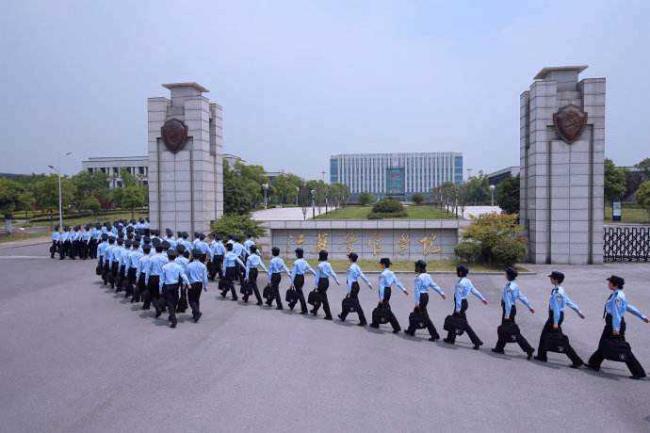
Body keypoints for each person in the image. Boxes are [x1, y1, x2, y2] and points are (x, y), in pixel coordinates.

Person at [587, 275, 648, 379]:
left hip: (615, 324)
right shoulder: (618, 294)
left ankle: (639, 372)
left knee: (622, 348)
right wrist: (642, 316)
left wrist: (616, 328)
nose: (608, 284)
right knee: (603, 343)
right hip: (612, 323)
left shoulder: (618, 297)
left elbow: (616, 314)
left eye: (610, 282)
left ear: (614, 284)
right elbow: (628, 307)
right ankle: (594, 363)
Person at [534, 271, 585, 368]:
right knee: (544, 335)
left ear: (556, 280)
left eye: (551, 278)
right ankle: (542, 356)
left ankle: (576, 360)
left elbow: (557, 308)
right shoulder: (559, 290)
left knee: (560, 340)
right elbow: (568, 301)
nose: (550, 279)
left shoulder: (557, 292)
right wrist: (578, 311)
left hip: (555, 317)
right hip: (555, 316)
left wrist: (556, 322)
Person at [491, 267, 535, 359]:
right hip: (511, 309)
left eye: (506, 273)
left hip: (509, 310)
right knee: (504, 329)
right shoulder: (514, 285)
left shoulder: (509, 288)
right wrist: (529, 306)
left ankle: (528, 349)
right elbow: (521, 296)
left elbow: (507, 302)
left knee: (513, 332)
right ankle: (499, 347)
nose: (505, 275)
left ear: (509, 275)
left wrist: (507, 314)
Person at [443, 265, 488, 349]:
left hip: (460, 305)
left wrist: (457, 309)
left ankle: (477, 342)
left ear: (460, 272)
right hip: (464, 303)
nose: (456, 272)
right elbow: (474, 290)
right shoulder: (467, 281)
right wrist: (482, 298)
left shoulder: (460, 284)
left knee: (464, 325)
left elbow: (458, 297)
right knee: (454, 321)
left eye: (457, 271)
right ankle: (450, 339)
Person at [405, 260, 446, 340]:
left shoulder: (419, 278)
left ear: (419, 267)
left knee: (425, 317)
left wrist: (417, 302)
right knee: (416, 313)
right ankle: (411, 330)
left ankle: (434, 335)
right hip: (426, 296)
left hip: (421, 297)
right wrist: (441, 293)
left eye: (416, 266)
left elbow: (417, 291)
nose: (415, 268)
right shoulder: (428, 276)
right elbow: (434, 285)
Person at [370, 258, 408, 332]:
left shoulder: (383, 274)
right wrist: (404, 289)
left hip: (384, 291)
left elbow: (381, 287)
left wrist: (381, 298)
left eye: (380, 263)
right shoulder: (391, 273)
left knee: (385, 310)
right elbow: (397, 282)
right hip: (388, 291)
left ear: (383, 264)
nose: (380, 265)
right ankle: (375, 323)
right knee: (380, 308)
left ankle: (396, 327)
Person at [157, 248, 190, 328]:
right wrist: (188, 283)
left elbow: (162, 279)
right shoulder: (178, 266)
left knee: (170, 302)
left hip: (167, 285)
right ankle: (172, 315)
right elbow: (183, 275)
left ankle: (173, 318)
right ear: (175, 257)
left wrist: (160, 288)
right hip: (175, 285)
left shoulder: (164, 267)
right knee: (174, 301)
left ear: (168, 257)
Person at [338, 252, 372, 326]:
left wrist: (349, 292)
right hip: (356, 285)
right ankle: (343, 316)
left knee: (355, 304)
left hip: (352, 286)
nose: (348, 258)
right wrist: (368, 283)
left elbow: (350, 281)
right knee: (349, 301)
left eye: (349, 257)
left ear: (350, 258)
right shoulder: (356, 266)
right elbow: (362, 275)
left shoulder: (351, 268)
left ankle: (363, 321)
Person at [311, 250, 340, 320]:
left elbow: (317, 277)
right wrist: (337, 280)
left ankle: (328, 315)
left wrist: (315, 286)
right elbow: (332, 273)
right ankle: (315, 310)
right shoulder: (328, 264)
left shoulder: (319, 265)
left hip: (321, 281)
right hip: (326, 281)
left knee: (323, 298)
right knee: (320, 296)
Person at [288, 248, 317, 314]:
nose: (295, 254)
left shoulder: (296, 262)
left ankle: (304, 310)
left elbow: (293, 273)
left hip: (297, 278)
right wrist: (315, 274)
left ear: (297, 254)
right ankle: (292, 304)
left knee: (300, 294)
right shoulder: (304, 261)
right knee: (298, 292)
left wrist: (291, 282)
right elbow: (310, 268)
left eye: (296, 253)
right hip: (302, 278)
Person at [186, 249, 209, 322]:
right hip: (199, 284)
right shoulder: (203, 266)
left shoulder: (189, 265)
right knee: (196, 299)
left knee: (191, 300)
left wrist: (186, 284)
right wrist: (205, 286)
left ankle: (197, 312)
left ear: (192, 256)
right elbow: (205, 277)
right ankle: (195, 315)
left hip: (192, 284)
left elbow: (186, 275)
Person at [144, 243, 168, 311]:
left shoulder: (151, 258)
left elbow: (148, 270)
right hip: (162, 277)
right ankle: (162, 307)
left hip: (153, 277)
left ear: (155, 250)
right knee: (161, 293)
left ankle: (157, 307)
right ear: (162, 250)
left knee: (153, 294)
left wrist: (146, 280)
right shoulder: (165, 259)